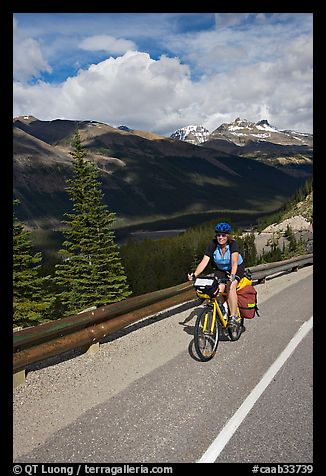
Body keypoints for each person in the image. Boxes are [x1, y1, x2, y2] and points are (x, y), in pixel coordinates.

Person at [187, 222, 245, 326]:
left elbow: (234, 262)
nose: (220, 237)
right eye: (218, 235)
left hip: (235, 268)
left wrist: (232, 275)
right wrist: (195, 274)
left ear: (227, 236)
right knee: (217, 289)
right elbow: (204, 261)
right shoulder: (213, 245)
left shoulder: (233, 244)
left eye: (223, 235)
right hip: (221, 269)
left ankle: (233, 317)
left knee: (231, 287)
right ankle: (222, 308)